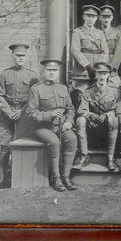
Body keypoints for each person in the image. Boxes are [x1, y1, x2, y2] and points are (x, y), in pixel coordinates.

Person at [0, 43, 39, 189]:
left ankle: (22, 177)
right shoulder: (5, 74)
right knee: (4, 145)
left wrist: (22, 111)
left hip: (24, 115)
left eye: (23, 56)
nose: (20, 58)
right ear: (12, 56)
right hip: (7, 115)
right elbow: (0, 95)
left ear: (26, 57)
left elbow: (34, 98)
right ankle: (2, 179)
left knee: (23, 144)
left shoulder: (32, 76)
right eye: (18, 56)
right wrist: (9, 112)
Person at [26, 60, 78, 192]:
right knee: (54, 142)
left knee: (72, 139)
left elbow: (70, 109)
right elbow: (31, 113)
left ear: (58, 72)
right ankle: (56, 178)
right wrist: (50, 114)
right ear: (44, 72)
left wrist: (69, 122)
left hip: (61, 126)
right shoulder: (36, 89)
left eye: (54, 70)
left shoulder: (63, 88)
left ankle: (66, 176)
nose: (51, 73)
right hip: (42, 127)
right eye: (49, 70)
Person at [76, 62, 120, 171]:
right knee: (80, 120)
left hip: (108, 125)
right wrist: (90, 115)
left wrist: (107, 115)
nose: (102, 77)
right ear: (96, 75)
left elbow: (117, 109)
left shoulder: (115, 91)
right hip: (93, 126)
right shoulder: (88, 91)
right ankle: (84, 156)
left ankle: (110, 158)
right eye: (99, 73)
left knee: (114, 120)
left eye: (104, 74)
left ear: (108, 75)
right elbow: (81, 110)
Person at [70, 5, 109, 105]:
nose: (91, 19)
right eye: (88, 16)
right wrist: (88, 66)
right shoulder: (78, 32)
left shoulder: (100, 33)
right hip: (82, 72)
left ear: (96, 18)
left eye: (93, 16)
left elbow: (104, 52)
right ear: (84, 17)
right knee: (81, 97)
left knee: (96, 98)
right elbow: (75, 51)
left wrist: (99, 67)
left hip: (97, 72)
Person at [99, 5, 121, 88]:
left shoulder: (116, 32)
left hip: (112, 65)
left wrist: (112, 66)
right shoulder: (96, 31)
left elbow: (119, 51)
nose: (106, 20)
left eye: (108, 17)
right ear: (100, 18)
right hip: (99, 63)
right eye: (104, 17)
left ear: (112, 18)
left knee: (113, 86)